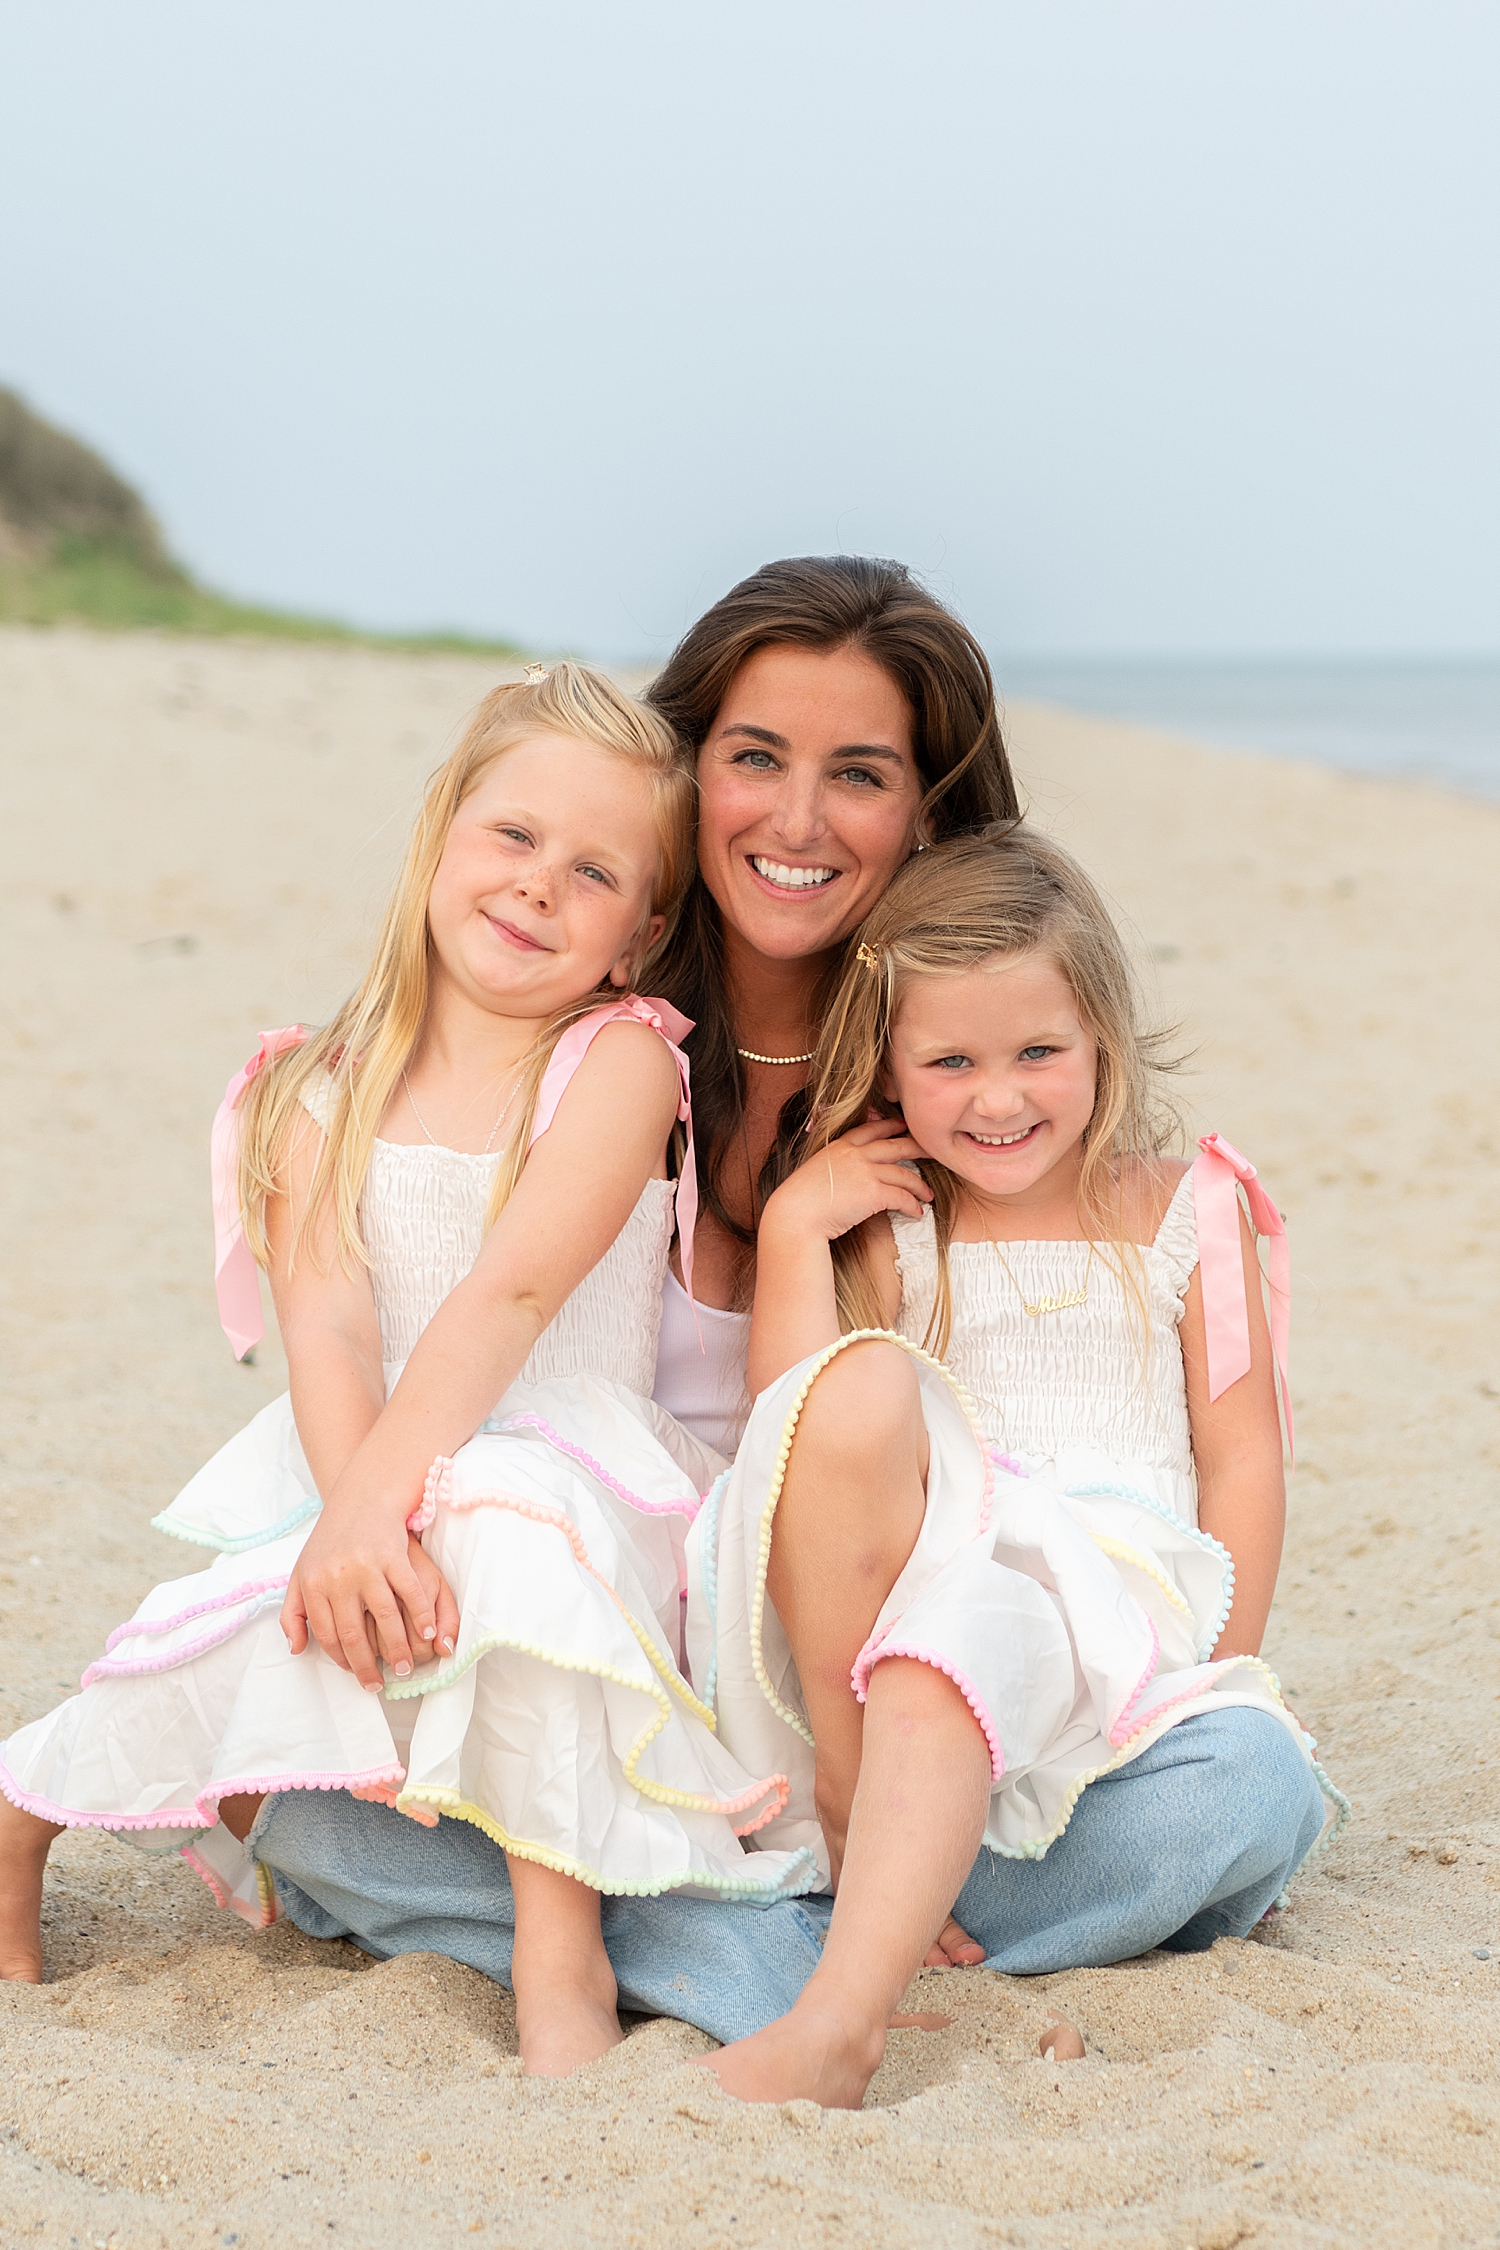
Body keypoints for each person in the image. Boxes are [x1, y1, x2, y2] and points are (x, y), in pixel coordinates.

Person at [183, 559, 1324, 2054]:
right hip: (595, 1664)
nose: (795, 820)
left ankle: (775, 1939)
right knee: (319, 1805)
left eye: (858, 772)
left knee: (1243, 1791)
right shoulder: (559, 1037)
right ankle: (831, 1955)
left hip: (862, 1697)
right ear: (685, 775)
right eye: (753, 758)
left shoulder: (972, 1088)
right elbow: (390, 1294)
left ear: (928, 810)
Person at [0, 663, 811, 2075]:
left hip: (572, 1473)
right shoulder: (317, 1087)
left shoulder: (616, 1064)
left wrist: (386, 1505)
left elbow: (509, 1292)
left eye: (593, 870)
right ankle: (21, 1820)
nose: (539, 885)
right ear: (442, 834)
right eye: (513, 837)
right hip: (359, 1453)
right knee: (231, 1623)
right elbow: (328, 1327)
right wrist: (355, 1514)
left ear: (642, 933)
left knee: (509, 1521)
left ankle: (558, 1946)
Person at [695, 825, 1337, 2105]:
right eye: (950, 1062)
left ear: (1101, 1033)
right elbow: (795, 1444)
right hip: (911, 1681)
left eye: (1040, 1052)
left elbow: (1246, 1456)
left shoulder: (1183, 1207)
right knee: (969, 1620)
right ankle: (854, 1998)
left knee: (1257, 1785)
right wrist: (795, 1234)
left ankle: (860, 1921)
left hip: (1115, 1681)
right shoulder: (893, 1230)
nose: (999, 1099)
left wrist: (1215, 1681)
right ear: (887, 1063)